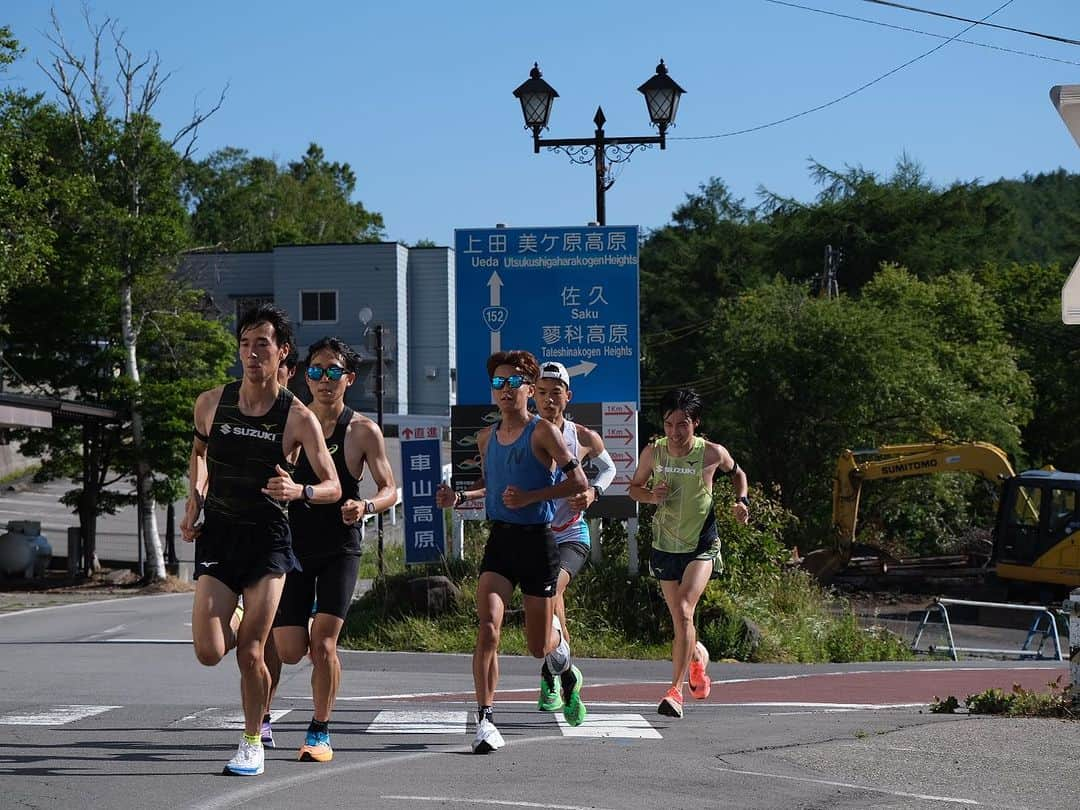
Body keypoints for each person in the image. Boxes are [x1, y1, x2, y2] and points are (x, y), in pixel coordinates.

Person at [181, 304, 341, 777]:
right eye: (246, 344)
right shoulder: (212, 402)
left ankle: (252, 741)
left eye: (263, 344)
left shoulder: (297, 417)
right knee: (209, 652)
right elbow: (199, 456)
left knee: (252, 650)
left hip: (269, 542)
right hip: (219, 537)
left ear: (282, 352)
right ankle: (235, 611)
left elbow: (332, 485)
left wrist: (300, 490)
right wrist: (195, 499)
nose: (252, 353)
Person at [438, 350, 588, 753]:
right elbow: (495, 486)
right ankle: (485, 720)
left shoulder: (543, 432)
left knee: (538, 647)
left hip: (538, 542)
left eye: (513, 383)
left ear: (528, 387)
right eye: (498, 384)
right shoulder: (486, 437)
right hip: (500, 541)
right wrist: (460, 496)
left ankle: (561, 652)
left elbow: (577, 483)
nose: (505, 390)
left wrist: (532, 496)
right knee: (488, 627)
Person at [269, 337, 397, 764]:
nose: (325, 380)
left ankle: (320, 730)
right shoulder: (290, 424)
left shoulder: (362, 430)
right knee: (290, 649)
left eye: (334, 372)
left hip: (341, 548)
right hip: (295, 547)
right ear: (306, 377)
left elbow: (389, 488)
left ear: (349, 378)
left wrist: (366, 506)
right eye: (318, 371)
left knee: (324, 644)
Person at [627, 388, 749, 720]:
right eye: (669, 424)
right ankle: (697, 659)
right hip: (665, 545)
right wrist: (652, 496)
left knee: (683, 610)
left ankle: (674, 692)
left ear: (695, 423)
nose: (675, 432)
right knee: (681, 622)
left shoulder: (711, 453)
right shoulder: (654, 452)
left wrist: (742, 502)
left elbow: (738, 474)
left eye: (682, 424)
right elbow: (634, 488)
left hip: (701, 544)